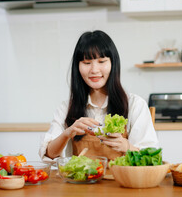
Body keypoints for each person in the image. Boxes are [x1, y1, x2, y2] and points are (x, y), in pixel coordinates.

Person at [39, 30, 159, 162]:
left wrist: (127, 146)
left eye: (102, 61)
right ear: (77, 67)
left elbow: (152, 157)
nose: (94, 70)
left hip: (121, 181)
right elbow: (49, 155)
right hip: (80, 182)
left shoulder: (135, 104)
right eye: (86, 63)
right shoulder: (66, 108)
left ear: (113, 64)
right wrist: (68, 133)